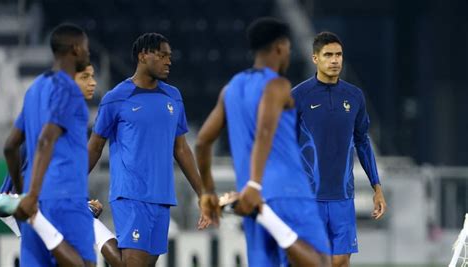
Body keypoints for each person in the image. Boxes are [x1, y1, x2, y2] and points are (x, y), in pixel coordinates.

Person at [195, 17, 330, 267]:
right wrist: (256, 186)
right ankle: (267, 217)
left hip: (248, 196)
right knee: (321, 263)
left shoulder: (231, 89)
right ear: (280, 47)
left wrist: (208, 192)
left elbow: (202, 142)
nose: (288, 53)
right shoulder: (278, 85)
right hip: (285, 191)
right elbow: (265, 132)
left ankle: (264, 215)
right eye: (288, 48)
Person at [87, 32, 215, 266]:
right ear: (143, 55)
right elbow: (94, 147)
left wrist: (202, 193)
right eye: (163, 55)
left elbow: (182, 149)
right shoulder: (116, 98)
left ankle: (90, 224)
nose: (169, 61)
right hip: (130, 194)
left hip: (162, 196)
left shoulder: (173, 96)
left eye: (170, 56)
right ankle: (90, 226)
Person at [291, 31, 387, 267]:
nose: (335, 60)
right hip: (308, 198)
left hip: (343, 197)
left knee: (341, 261)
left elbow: (362, 142)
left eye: (339, 55)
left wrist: (377, 187)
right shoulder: (299, 96)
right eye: (328, 55)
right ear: (315, 58)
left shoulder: (354, 97)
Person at [3, 23, 95, 266]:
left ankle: (37, 220)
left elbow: (10, 147)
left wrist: (24, 192)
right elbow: (46, 138)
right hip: (64, 195)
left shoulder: (34, 90)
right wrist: (30, 197)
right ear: (75, 49)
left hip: (36, 196)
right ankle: (38, 222)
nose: (88, 53)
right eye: (85, 48)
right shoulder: (68, 89)